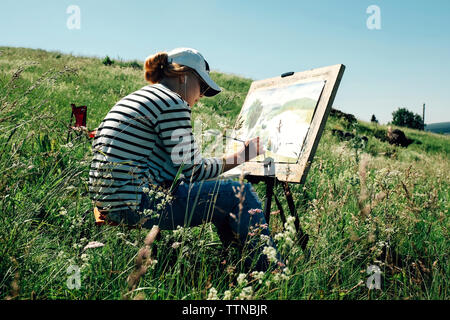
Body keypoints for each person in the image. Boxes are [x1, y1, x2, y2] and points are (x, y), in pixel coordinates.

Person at [88, 48, 282, 271]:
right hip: (132, 202)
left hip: (108, 201)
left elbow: (171, 166)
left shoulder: (140, 97)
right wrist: (242, 156)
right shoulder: (172, 102)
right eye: (202, 86)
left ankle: (238, 266)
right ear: (183, 76)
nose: (201, 96)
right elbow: (194, 171)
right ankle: (268, 272)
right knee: (238, 192)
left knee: (219, 193)